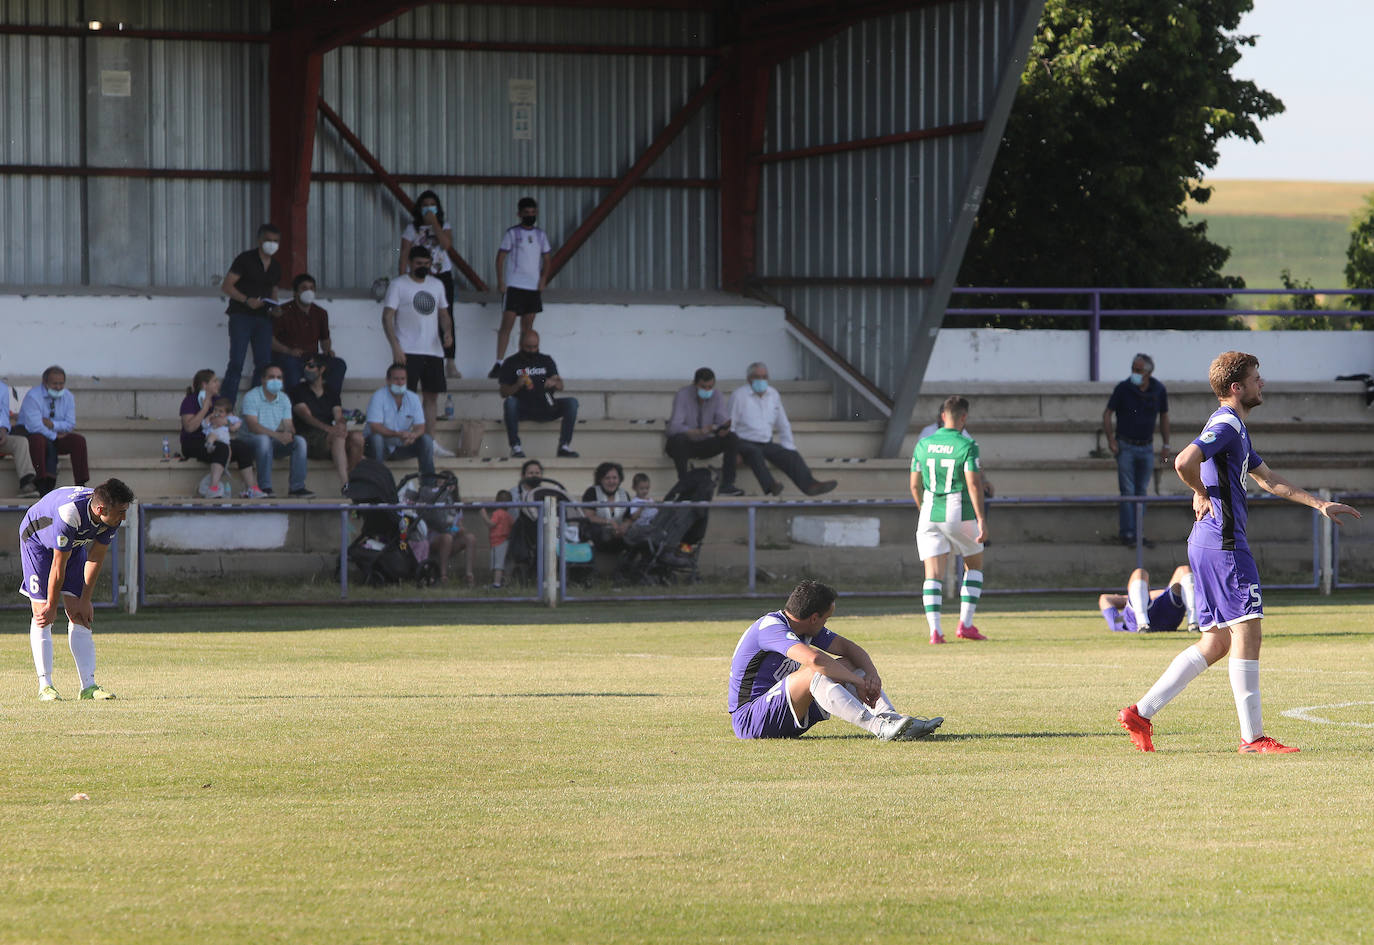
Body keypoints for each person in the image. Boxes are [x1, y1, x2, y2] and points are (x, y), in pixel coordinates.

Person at [1118, 351, 1361, 754]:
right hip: (1223, 544)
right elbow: (1183, 461)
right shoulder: (1228, 425)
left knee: (1215, 643)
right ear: (1237, 387)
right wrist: (1199, 491)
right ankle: (1253, 738)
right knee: (1248, 631)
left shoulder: (1234, 428)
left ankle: (1140, 713)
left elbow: (1268, 480)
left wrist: (1319, 505)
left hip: (1206, 542)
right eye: (1255, 377)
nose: (1261, 383)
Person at [727, 579, 944, 741]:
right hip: (751, 721)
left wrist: (872, 677)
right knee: (816, 670)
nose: (826, 624)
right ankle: (878, 728)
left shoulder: (803, 626)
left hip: (783, 715)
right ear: (814, 618)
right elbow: (815, 659)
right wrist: (859, 683)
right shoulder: (770, 627)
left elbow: (850, 649)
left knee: (847, 664)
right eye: (826, 618)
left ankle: (893, 720)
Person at [19, 477, 133, 701]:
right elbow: (57, 567)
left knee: (79, 614)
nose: (124, 517)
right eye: (121, 512)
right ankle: (46, 686)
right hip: (37, 542)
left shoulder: (110, 516)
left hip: (73, 544)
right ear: (101, 509)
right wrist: (52, 605)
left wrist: (85, 600)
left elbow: (95, 558)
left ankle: (88, 687)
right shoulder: (69, 514)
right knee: (43, 613)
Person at [911, 396, 989, 644]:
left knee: (932, 575)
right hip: (958, 511)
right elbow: (974, 484)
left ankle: (935, 631)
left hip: (929, 512)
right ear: (963, 418)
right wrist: (981, 519)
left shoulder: (923, 444)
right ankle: (965, 625)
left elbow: (914, 485)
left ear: (943, 416)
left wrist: (923, 510)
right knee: (974, 564)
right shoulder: (967, 444)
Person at [383, 245, 456, 456]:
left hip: (433, 351)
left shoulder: (437, 284)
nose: (423, 267)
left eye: (426, 264)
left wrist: (448, 332)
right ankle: (402, 441)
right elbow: (387, 317)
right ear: (409, 264)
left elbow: (444, 314)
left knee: (431, 397)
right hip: (407, 349)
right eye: (418, 264)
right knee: (405, 397)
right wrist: (395, 346)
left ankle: (429, 442)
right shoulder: (398, 285)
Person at [728, 361, 837, 497]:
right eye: (757, 377)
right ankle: (771, 486)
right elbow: (730, 426)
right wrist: (732, 451)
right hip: (743, 442)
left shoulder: (773, 394)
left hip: (766, 442)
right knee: (754, 453)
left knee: (791, 455)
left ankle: (810, 485)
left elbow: (783, 423)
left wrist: (789, 446)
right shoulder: (739, 396)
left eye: (764, 377)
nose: (761, 380)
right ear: (749, 379)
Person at [1103, 353, 1171, 547]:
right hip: (1125, 445)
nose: (1134, 373)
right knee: (1128, 491)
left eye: (1138, 370)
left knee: (1141, 492)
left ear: (1148, 372)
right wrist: (1111, 439)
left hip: (1146, 447)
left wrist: (1166, 444)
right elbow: (1107, 413)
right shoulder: (1123, 388)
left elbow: (1164, 416)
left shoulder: (1158, 390)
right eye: (1133, 368)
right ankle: (1128, 533)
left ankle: (1137, 533)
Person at [400, 190, 461, 379]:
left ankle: (450, 362)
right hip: (418, 277)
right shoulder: (412, 228)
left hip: (441, 275)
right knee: (418, 315)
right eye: (425, 204)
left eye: (432, 203)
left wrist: (434, 223)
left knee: (446, 315)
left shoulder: (444, 225)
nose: (428, 207)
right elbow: (403, 253)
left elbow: (446, 245)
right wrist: (402, 278)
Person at [489, 196, 552, 379]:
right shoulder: (512, 233)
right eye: (526, 213)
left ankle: (524, 364)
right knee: (507, 324)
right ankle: (499, 363)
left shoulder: (541, 235)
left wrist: (543, 279)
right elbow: (500, 257)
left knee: (527, 328)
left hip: (532, 288)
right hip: (514, 285)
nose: (530, 216)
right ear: (519, 214)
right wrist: (501, 280)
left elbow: (547, 259)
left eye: (533, 213)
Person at [221, 223, 283, 407]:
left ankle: (254, 407)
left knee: (264, 364)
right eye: (268, 240)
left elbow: (273, 290)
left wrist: (276, 307)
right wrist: (247, 300)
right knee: (236, 362)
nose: (272, 244)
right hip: (241, 315)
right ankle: (226, 408)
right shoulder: (245, 259)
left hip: (263, 317)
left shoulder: (276, 266)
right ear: (259, 240)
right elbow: (226, 286)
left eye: (276, 241)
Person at [178, 369, 260, 499]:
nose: (218, 384)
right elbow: (189, 427)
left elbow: (233, 421)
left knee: (241, 447)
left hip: (217, 439)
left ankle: (252, 488)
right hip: (193, 443)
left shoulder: (218, 400)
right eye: (215, 381)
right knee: (221, 448)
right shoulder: (190, 400)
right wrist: (205, 409)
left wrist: (226, 422)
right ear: (205, 385)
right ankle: (213, 488)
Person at [497, 330, 579, 459]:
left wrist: (554, 382)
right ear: (520, 345)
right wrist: (517, 385)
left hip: (546, 406)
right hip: (523, 408)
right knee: (510, 402)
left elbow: (561, 385)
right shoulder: (511, 362)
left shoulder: (546, 360)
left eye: (535, 347)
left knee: (572, 402)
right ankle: (515, 447)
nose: (531, 350)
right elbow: (503, 392)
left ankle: (564, 446)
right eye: (528, 347)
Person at [665, 367, 743, 496]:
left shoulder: (717, 395)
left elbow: (722, 420)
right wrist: (698, 431)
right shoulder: (683, 395)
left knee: (732, 438)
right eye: (703, 386)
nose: (707, 390)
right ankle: (685, 484)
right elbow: (673, 428)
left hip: (706, 443)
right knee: (678, 440)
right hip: (686, 443)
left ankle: (727, 486)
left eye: (710, 387)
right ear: (695, 384)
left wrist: (723, 428)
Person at [13, 366, 89, 497]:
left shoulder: (68, 396)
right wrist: (55, 436)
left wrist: (53, 424)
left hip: (55, 434)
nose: (58, 387)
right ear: (45, 382)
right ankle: (41, 483)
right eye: (55, 383)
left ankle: (81, 484)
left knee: (78, 441)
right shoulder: (33, 396)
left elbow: (70, 424)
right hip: (33, 435)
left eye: (61, 383)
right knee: (39, 439)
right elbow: (35, 426)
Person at [239, 364, 311, 497]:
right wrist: (278, 435)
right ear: (263, 379)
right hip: (249, 441)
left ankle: (297, 488)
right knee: (264, 440)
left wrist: (289, 433)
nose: (276, 380)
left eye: (279, 377)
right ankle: (265, 487)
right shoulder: (251, 396)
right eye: (271, 377)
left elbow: (288, 424)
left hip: (271, 440)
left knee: (299, 441)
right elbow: (253, 426)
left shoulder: (284, 398)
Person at [271, 273, 346, 399]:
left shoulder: (320, 313)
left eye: (311, 288)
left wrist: (328, 350)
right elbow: (270, 341)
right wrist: (289, 351)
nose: (309, 291)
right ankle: (295, 406)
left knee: (339, 364)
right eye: (304, 288)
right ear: (295, 292)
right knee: (290, 365)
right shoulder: (282, 312)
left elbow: (325, 339)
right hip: (288, 358)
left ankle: (330, 403)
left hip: (312, 359)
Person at [289, 354, 356, 494]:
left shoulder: (331, 392)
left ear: (322, 369)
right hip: (309, 437)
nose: (307, 369)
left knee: (358, 439)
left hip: (329, 437)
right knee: (338, 437)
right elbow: (306, 416)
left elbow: (338, 415)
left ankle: (355, 482)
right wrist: (330, 429)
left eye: (311, 366)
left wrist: (341, 425)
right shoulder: (298, 390)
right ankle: (346, 484)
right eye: (305, 366)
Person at [363, 363, 435, 476]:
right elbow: (375, 427)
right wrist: (397, 434)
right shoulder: (378, 396)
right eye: (396, 379)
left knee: (426, 439)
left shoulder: (413, 398)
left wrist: (413, 436)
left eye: (403, 379)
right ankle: (377, 482)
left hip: (401, 446)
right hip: (379, 446)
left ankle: (428, 486)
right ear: (388, 381)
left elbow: (420, 427)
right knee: (376, 438)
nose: (400, 382)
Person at [1099, 565, 1199, 634]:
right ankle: (1193, 623)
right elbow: (1104, 598)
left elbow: (1104, 598)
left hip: (1163, 617)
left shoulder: (1118, 621)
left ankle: (1194, 623)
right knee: (1139, 573)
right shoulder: (1119, 621)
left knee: (1184, 570)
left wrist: (1134, 597)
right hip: (1162, 621)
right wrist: (1126, 598)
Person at [0, 377, 37, 498]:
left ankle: (26, 482)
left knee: (20, 442)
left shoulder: (2, 388)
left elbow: (4, 415)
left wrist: (3, 430)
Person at [581, 461, 631, 550]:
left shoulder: (624, 494)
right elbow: (589, 517)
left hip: (620, 535)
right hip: (599, 536)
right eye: (607, 478)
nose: (611, 481)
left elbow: (629, 517)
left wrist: (625, 525)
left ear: (619, 480)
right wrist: (610, 522)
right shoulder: (591, 492)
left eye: (614, 478)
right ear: (600, 479)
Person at [481, 489, 514, 589]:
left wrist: (483, 514)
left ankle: (496, 584)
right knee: (504, 563)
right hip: (505, 541)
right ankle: (505, 583)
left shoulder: (497, 513)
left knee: (498, 565)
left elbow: (491, 524)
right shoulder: (509, 516)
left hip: (498, 542)